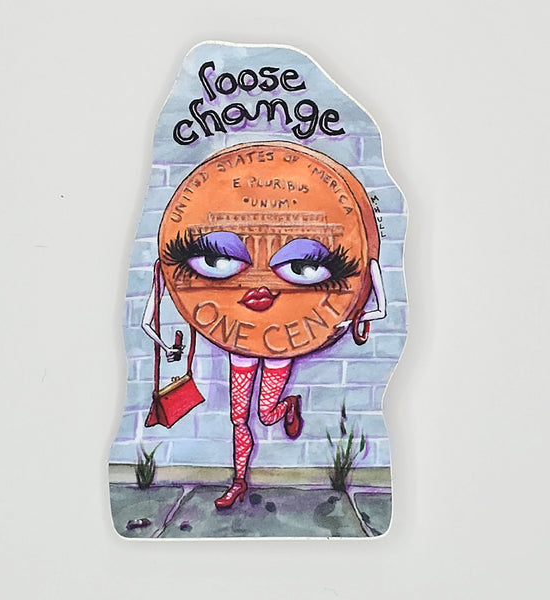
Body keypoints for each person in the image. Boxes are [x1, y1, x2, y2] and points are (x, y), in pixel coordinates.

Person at [140, 142, 386, 509]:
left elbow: (374, 294)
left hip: (282, 344)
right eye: (214, 259)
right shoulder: (180, 273)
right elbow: (152, 314)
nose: (259, 286)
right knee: (238, 417)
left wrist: (358, 315)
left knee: (266, 413)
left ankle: (287, 406)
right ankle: (238, 480)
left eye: (305, 266)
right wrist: (165, 343)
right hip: (240, 342)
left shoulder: (355, 262)